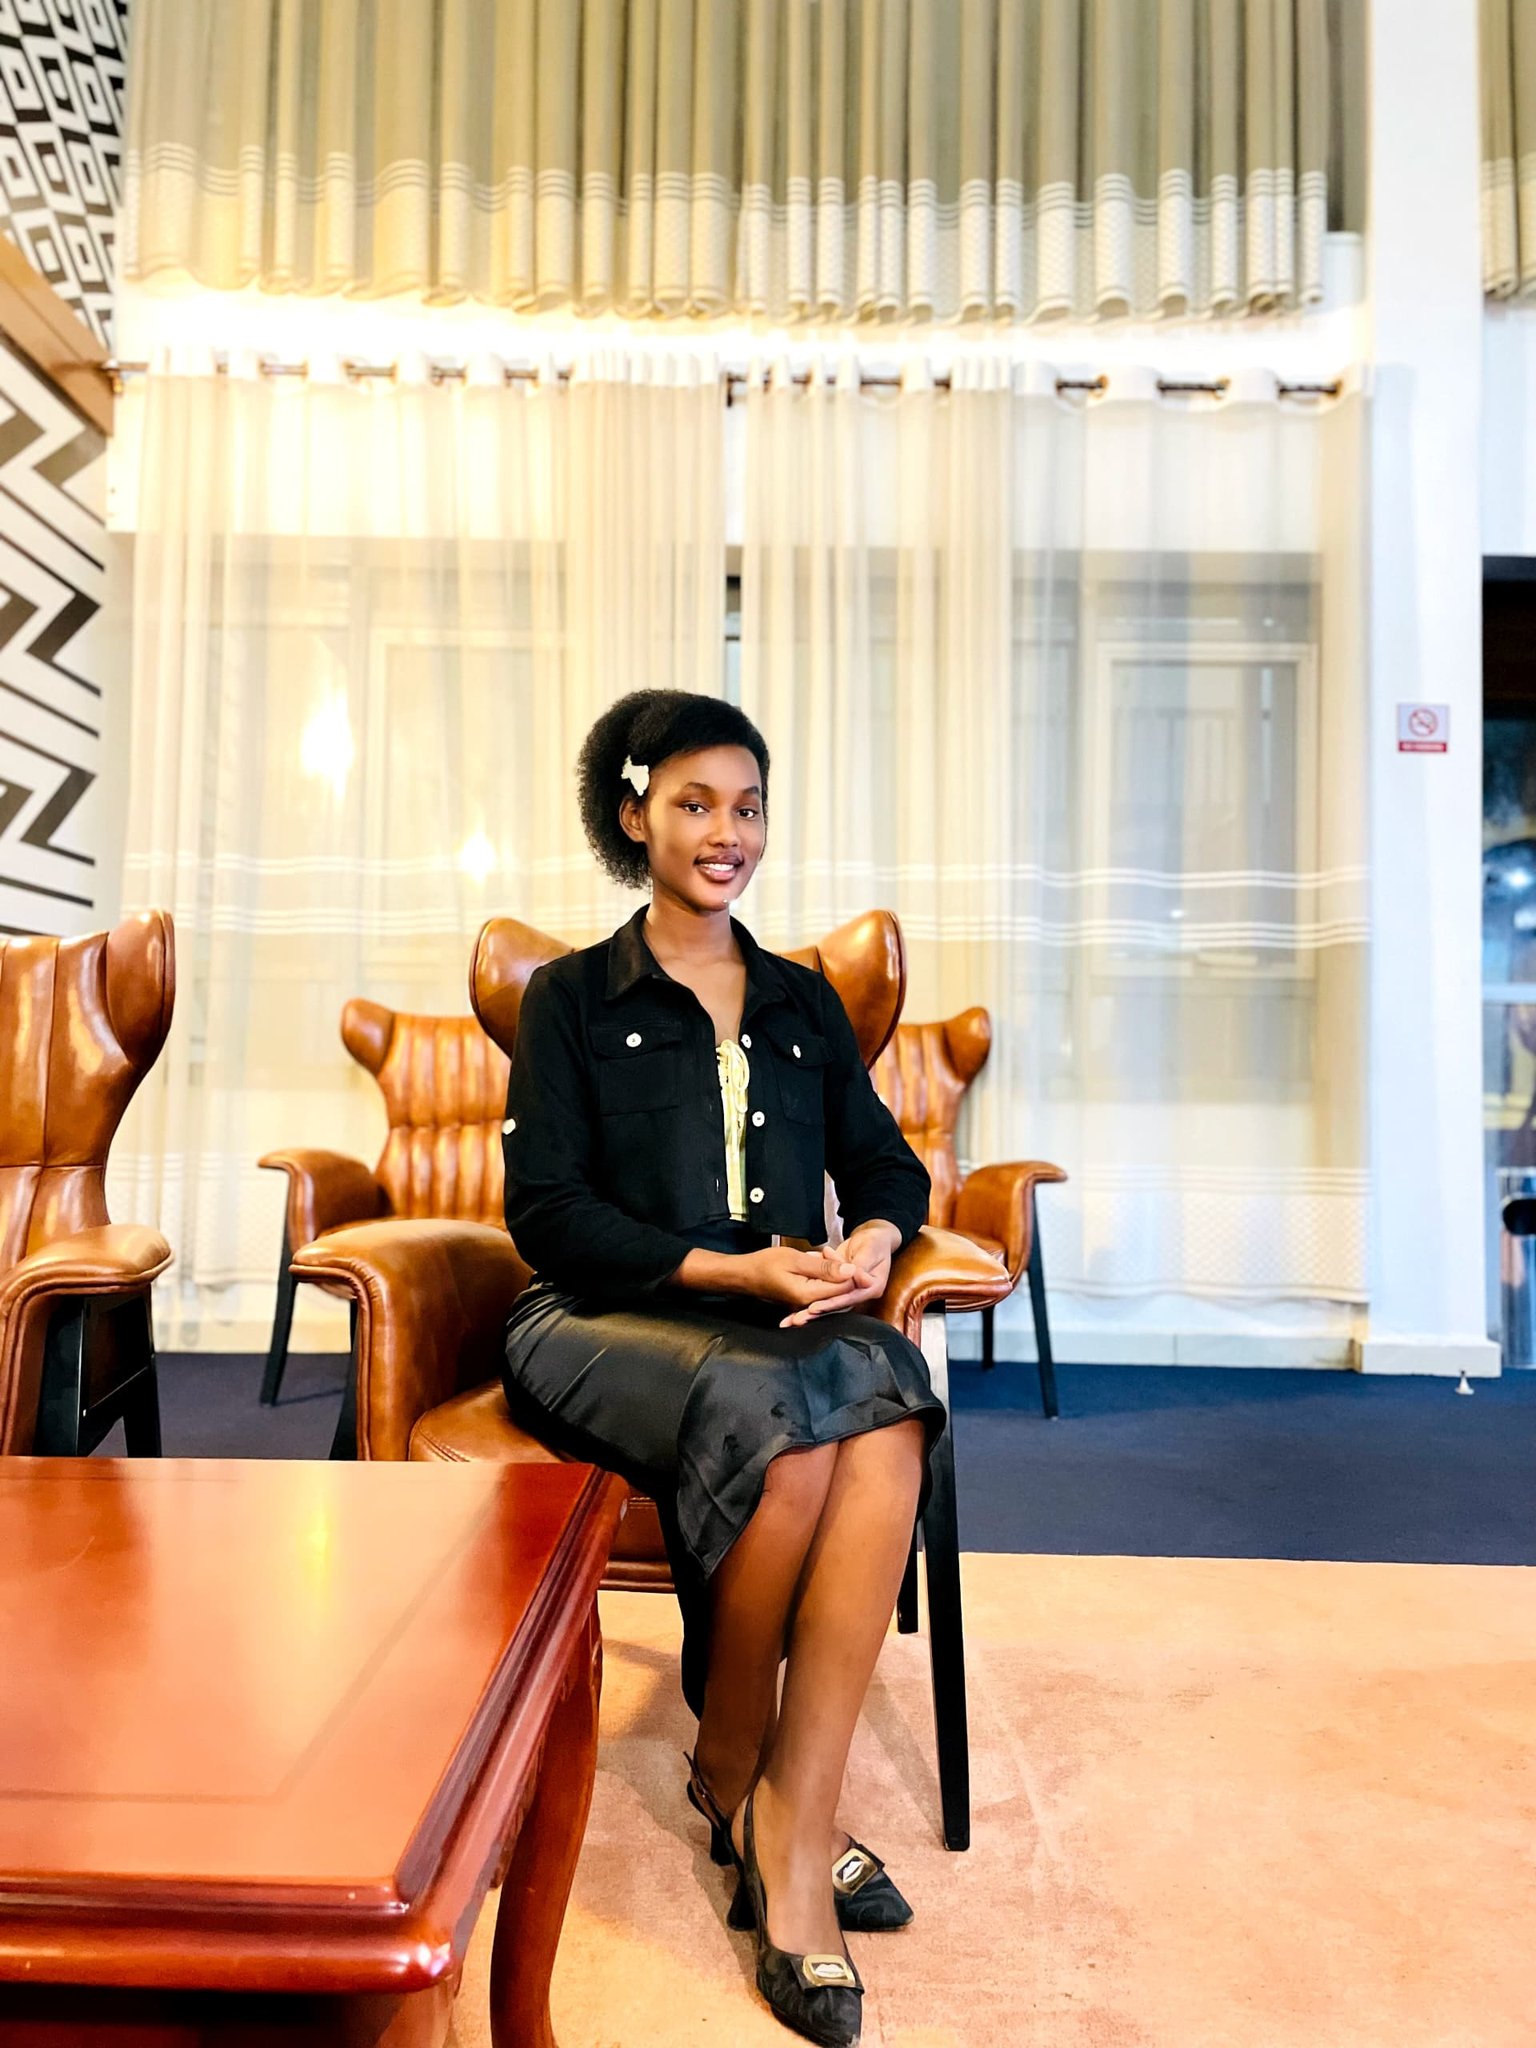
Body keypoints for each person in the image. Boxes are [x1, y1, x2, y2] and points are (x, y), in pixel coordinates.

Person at [500, 688, 943, 2047]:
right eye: (694, 803)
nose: (726, 832)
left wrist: (871, 1241)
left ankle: (784, 1817)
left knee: (891, 1404)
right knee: (786, 1423)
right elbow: (548, 1215)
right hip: (600, 1316)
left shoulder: (804, 1001)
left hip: (769, 1324)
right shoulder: (572, 1000)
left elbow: (888, 1167)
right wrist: (733, 1272)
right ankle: (741, 1777)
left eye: (747, 806)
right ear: (634, 816)